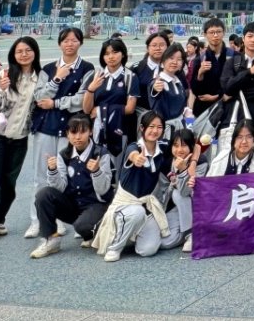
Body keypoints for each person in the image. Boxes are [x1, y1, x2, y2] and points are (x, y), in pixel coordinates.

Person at [25, 26, 93, 238]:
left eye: (74, 40)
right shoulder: (48, 69)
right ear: (59, 44)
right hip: (46, 126)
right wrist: (57, 79)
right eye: (65, 40)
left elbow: (81, 100)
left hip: (71, 130)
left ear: (80, 43)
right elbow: (39, 96)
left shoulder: (87, 68)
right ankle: (37, 220)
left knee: (66, 174)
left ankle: (63, 219)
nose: (69, 44)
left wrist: (55, 103)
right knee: (41, 174)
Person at [0, 37, 44, 241]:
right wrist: (1, 89)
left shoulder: (40, 79)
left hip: (19, 138)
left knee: (8, 182)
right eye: (19, 51)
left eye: (28, 50)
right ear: (13, 55)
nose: (24, 54)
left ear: (35, 52)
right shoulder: (2, 76)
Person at [29, 114, 113, 258]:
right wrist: (53, 170)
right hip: (74, 205)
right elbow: (59, 188)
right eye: (73, 132)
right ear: (67, 134)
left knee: (82, 226)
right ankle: (51, 239)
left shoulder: (101, 154)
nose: (78, 137)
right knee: (44, 195)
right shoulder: (64, 155)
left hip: (97, 205)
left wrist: (97, 171)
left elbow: (103, 190)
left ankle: (96, 232)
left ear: (90, 132)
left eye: (82, 132)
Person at [93, 111, 173, 261]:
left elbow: (180, 146)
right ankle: (114, 247)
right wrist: (137, 159)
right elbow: (132, 154)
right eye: (151, 126)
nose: (155, 131)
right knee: (137, 213)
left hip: (145, 205)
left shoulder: (162, 148)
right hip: (125, 205)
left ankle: (130, 235)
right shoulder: (134, 146)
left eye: (159, 127)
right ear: (142, 128)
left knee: (148, 250)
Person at [139, 128, 207, 255]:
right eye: (175, 145)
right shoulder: (167, 163)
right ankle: (185, 232)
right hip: (173, 207)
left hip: (195, 206)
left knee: (178, 194)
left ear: (191, 146)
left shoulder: (201, 163)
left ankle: (192, 233)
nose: (179, 150)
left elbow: (185, 192)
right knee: (165, 243)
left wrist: (183, 170)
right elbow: (161, 190)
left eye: (184, 145)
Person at [220, 20, 254, 148]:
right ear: (243, 39)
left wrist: (236, 91)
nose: (253, 40)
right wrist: (249, 72)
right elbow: (227, 87)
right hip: (235, 118)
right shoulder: (233, 61)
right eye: (249, 36)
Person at [81, 38, 135, 158]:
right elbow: (86, 109)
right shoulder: (95, 75)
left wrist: (100, 111)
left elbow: (130, 108)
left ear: (123, 54)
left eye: (115, 52)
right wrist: (90, 89)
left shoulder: (130, 77)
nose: (111, 56)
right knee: (96, 164)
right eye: (106, 53)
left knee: (116, 165)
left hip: (120, 130)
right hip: (96, 129)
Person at [147, 43, 190, 140]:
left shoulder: (178, 82)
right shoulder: (158, 81)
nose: (175, 62)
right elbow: (154, 88)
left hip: (179, 128)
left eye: (179, 59)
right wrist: (156, 87)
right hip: (163, 131)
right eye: (171, 58)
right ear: (163, 61)